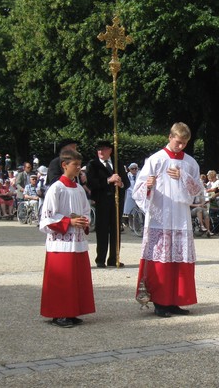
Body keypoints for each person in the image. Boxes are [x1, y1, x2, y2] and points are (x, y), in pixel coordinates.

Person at [132, 122, 202, 317]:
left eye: (184, 143)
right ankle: (160, 302)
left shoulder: (190, 162)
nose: (181, 146)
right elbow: (138, 191)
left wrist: (183, 176)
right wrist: (148, 185)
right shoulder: (155, 159)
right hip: (160, 217)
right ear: (170, 137)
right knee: (161, 260)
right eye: (178, 142)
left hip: (180, 217)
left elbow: (197, 190)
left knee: (179, 260)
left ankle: (175, 300)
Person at [39, 148, 94, 328]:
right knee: (62, 279)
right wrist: (69, 221)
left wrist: (85, 220)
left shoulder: (78, 189)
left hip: (77, 242)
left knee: (76, 278)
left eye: (80, 165)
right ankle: (59, 314)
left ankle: (72, 311)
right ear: (64, 165)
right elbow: (47, 217)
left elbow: (87, 211)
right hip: (60, 244)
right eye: (75, 165)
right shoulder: (56, 188)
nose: (79, 168)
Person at [86, 140, 130, 268]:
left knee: (116, 229)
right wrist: (108, 180)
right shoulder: (93, 164)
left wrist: (120, 183)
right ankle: (100, 258)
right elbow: (92, 183)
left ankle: (114, 258)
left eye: (103, 149)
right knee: (102, 230)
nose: (100, 152)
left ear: (110, 150)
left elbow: (126, 183)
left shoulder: (118, 163)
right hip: (102, 201)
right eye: (99, 149)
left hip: (116, 202)